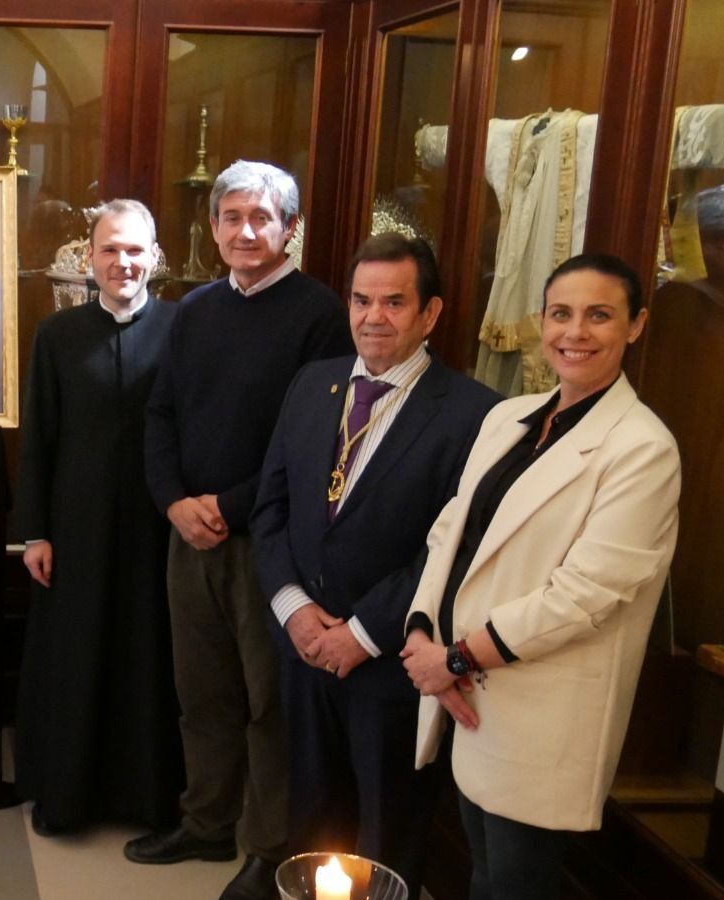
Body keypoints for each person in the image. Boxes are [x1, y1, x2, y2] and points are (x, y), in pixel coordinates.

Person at [402, 253, 681, 900]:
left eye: (599, 315)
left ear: (636, 325)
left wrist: (454, 657)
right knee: (481, 873)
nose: (575, 332)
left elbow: (584, 595)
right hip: (466, 688)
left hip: (540, 710)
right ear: (541, 320)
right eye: (561, 314)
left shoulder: (643, 449)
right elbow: (451, 532)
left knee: (516, 884)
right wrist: (421, 634)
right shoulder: (509, 418)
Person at [250, 234, 500, 891]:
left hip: (389, 667)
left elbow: (453, 549)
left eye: (394, 302)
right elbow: (270, 508)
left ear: (430, 313)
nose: (373, 317)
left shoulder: (475, 414)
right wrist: (294, 609)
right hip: (304, 655)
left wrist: (362, 634)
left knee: (386, 843)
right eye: (361, 300)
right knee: (309, 829)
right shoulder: (312, 383)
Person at [137, 160, 353, 900]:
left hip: (270, 541)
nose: (245, 231)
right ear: (213, 227)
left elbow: (313, 440)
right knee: (202, 695)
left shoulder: (321, 314)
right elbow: (161, 412)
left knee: (268, 704)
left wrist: (229, 506)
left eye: (262, 217)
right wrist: (174, 502)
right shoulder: (195, 308)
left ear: (290, 228)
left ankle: (267, 849)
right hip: (188, 536)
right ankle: (205, 822)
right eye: (231, 217)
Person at [12, 199, 183, 835]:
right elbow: (39, 437)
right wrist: (35, 531)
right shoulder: (57, 334)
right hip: (75, 528)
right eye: (109, 249)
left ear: (155, 257)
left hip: (156, 528)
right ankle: (66, 798)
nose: (122, 262)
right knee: (74, 657)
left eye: (134, 250)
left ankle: (146, 802)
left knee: (147, 658)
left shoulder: (182, 328)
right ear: (89, 257)